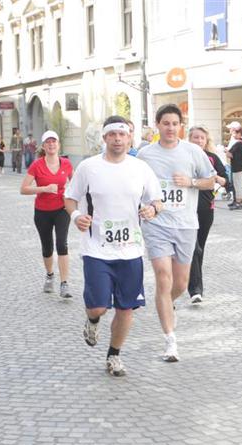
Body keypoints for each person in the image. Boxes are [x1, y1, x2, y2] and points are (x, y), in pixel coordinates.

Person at [64, 115, 163, 377]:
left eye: (122, 134)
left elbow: (157, 200)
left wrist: (153, 209)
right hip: (96, 249)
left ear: (129, 138)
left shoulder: (140, 168)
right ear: (105, 138)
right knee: (98, 306)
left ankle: (114, 355)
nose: (118, 139)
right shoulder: (88, 167)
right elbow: (70, 198)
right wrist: (76, 216)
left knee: (125, 307)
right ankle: (93, 319)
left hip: (131, 249)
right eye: (112, 135)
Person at [136, 104, 216, 362]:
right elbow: (135, 186)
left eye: (174, 123)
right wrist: (142, 207)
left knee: (180, 283)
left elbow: (211, 180)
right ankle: (170, 340)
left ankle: (166, 305)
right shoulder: (145, 155)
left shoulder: (193, 151)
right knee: (163, 277)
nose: (170, 128)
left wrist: (190, 182)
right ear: (157, 126)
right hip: (157, 224)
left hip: (186, 224)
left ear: (181, 126)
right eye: (165, 123)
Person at [20, 130, 74, 298]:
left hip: (62, 209)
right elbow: (23, 189)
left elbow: (75, 185)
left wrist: (70, 196)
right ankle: (50, 275)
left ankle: (64, 284)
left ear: (58, 145)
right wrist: (44, 188)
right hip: (42, 211)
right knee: (47, 246)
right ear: (43, 146)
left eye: (54, 141)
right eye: (48, 142)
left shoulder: (67, 164)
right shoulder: (37, 165)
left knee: (62, 244)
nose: (51, 144)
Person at [185, 125, 227, 304]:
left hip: (206, 208)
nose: (199, 141)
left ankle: (194, 282)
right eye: (195, 137)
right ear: (189, 139)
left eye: (202, 138)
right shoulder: (183, 156)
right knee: (193, 248)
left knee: (199, 249)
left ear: (206, 140)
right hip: (186, 208)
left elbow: (226, 181)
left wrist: (215, 178)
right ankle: (195, 289)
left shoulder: (212, 158)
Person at [225, 121, 242, 209]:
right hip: (241, 166)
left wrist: (225, 151)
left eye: (234, 132)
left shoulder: (237, 143)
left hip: (237, 167)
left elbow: (230, 154)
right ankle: (240, 202)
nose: (232, 134)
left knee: (238, 185)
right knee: (240, 185)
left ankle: (239, 203)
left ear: (239, 133)